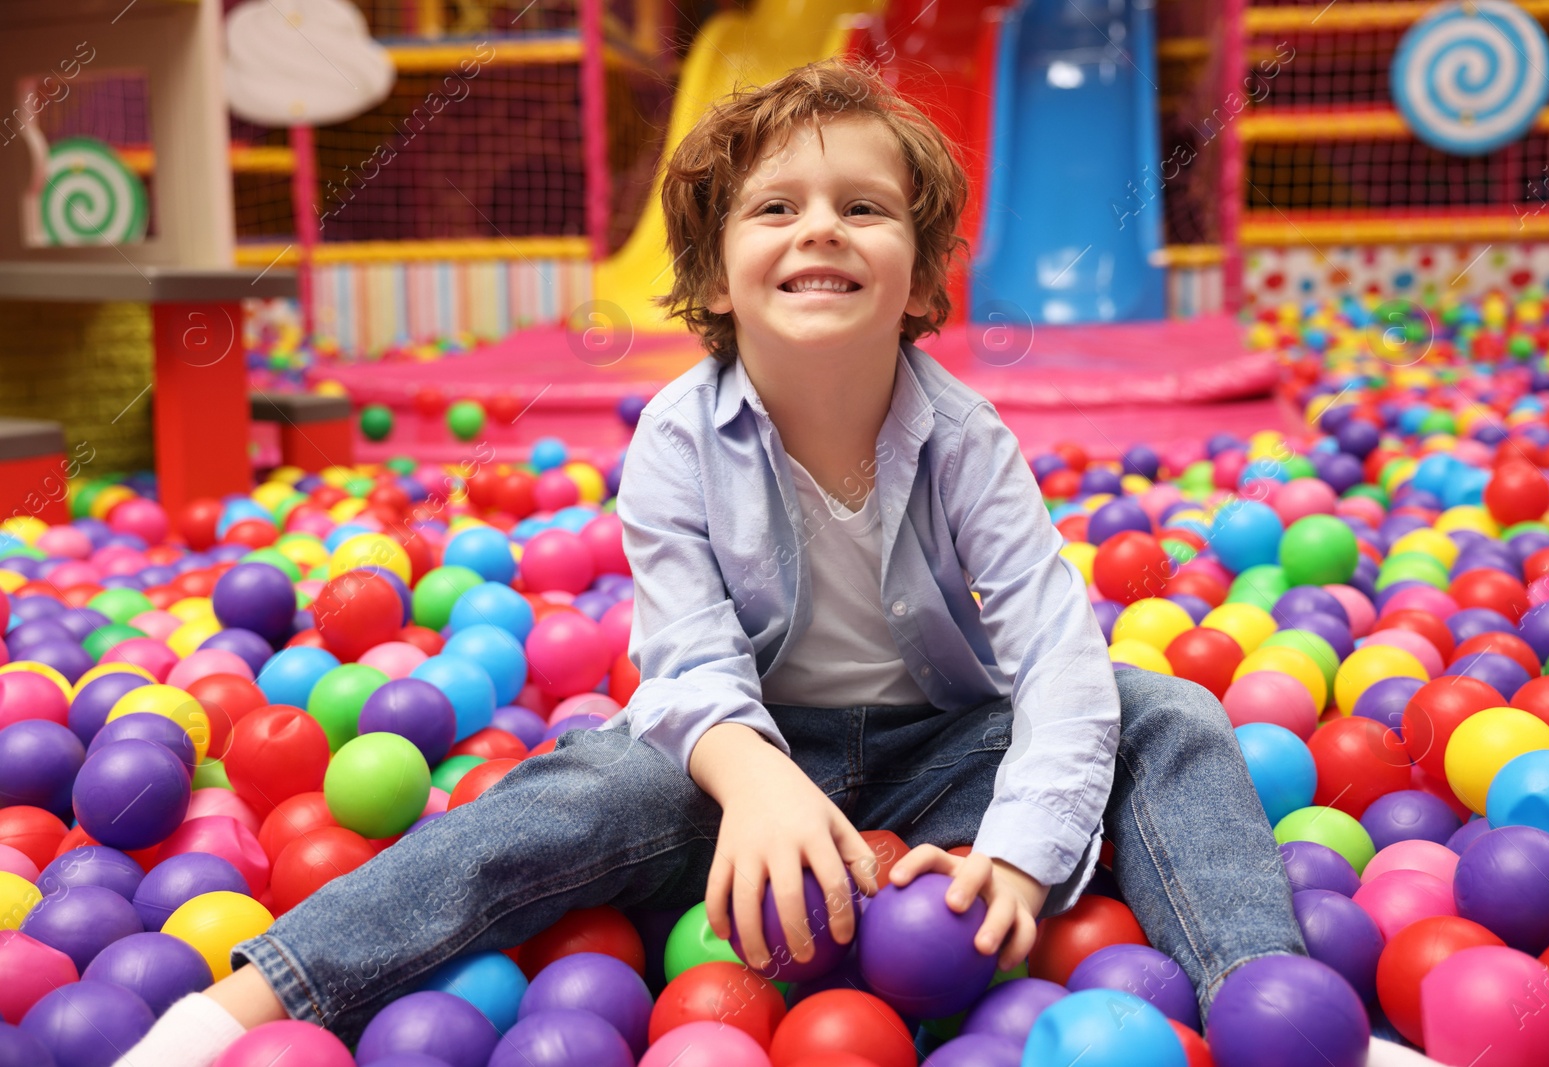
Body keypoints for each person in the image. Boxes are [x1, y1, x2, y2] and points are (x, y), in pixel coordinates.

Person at [120, 57, 1314, 1066]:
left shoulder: (965, 440)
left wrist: (1017, 852)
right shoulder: (678, 441)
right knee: (579, 790)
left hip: (945, 760)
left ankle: (1277, 1002)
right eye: (776, 207)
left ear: (919, 269)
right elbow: (686, 660)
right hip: (736, 761)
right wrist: (754, 781)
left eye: (864, 207)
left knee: (1163, 709)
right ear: (711, 267)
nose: (821, 230)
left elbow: (1057, 656)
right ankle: (246, 1000)